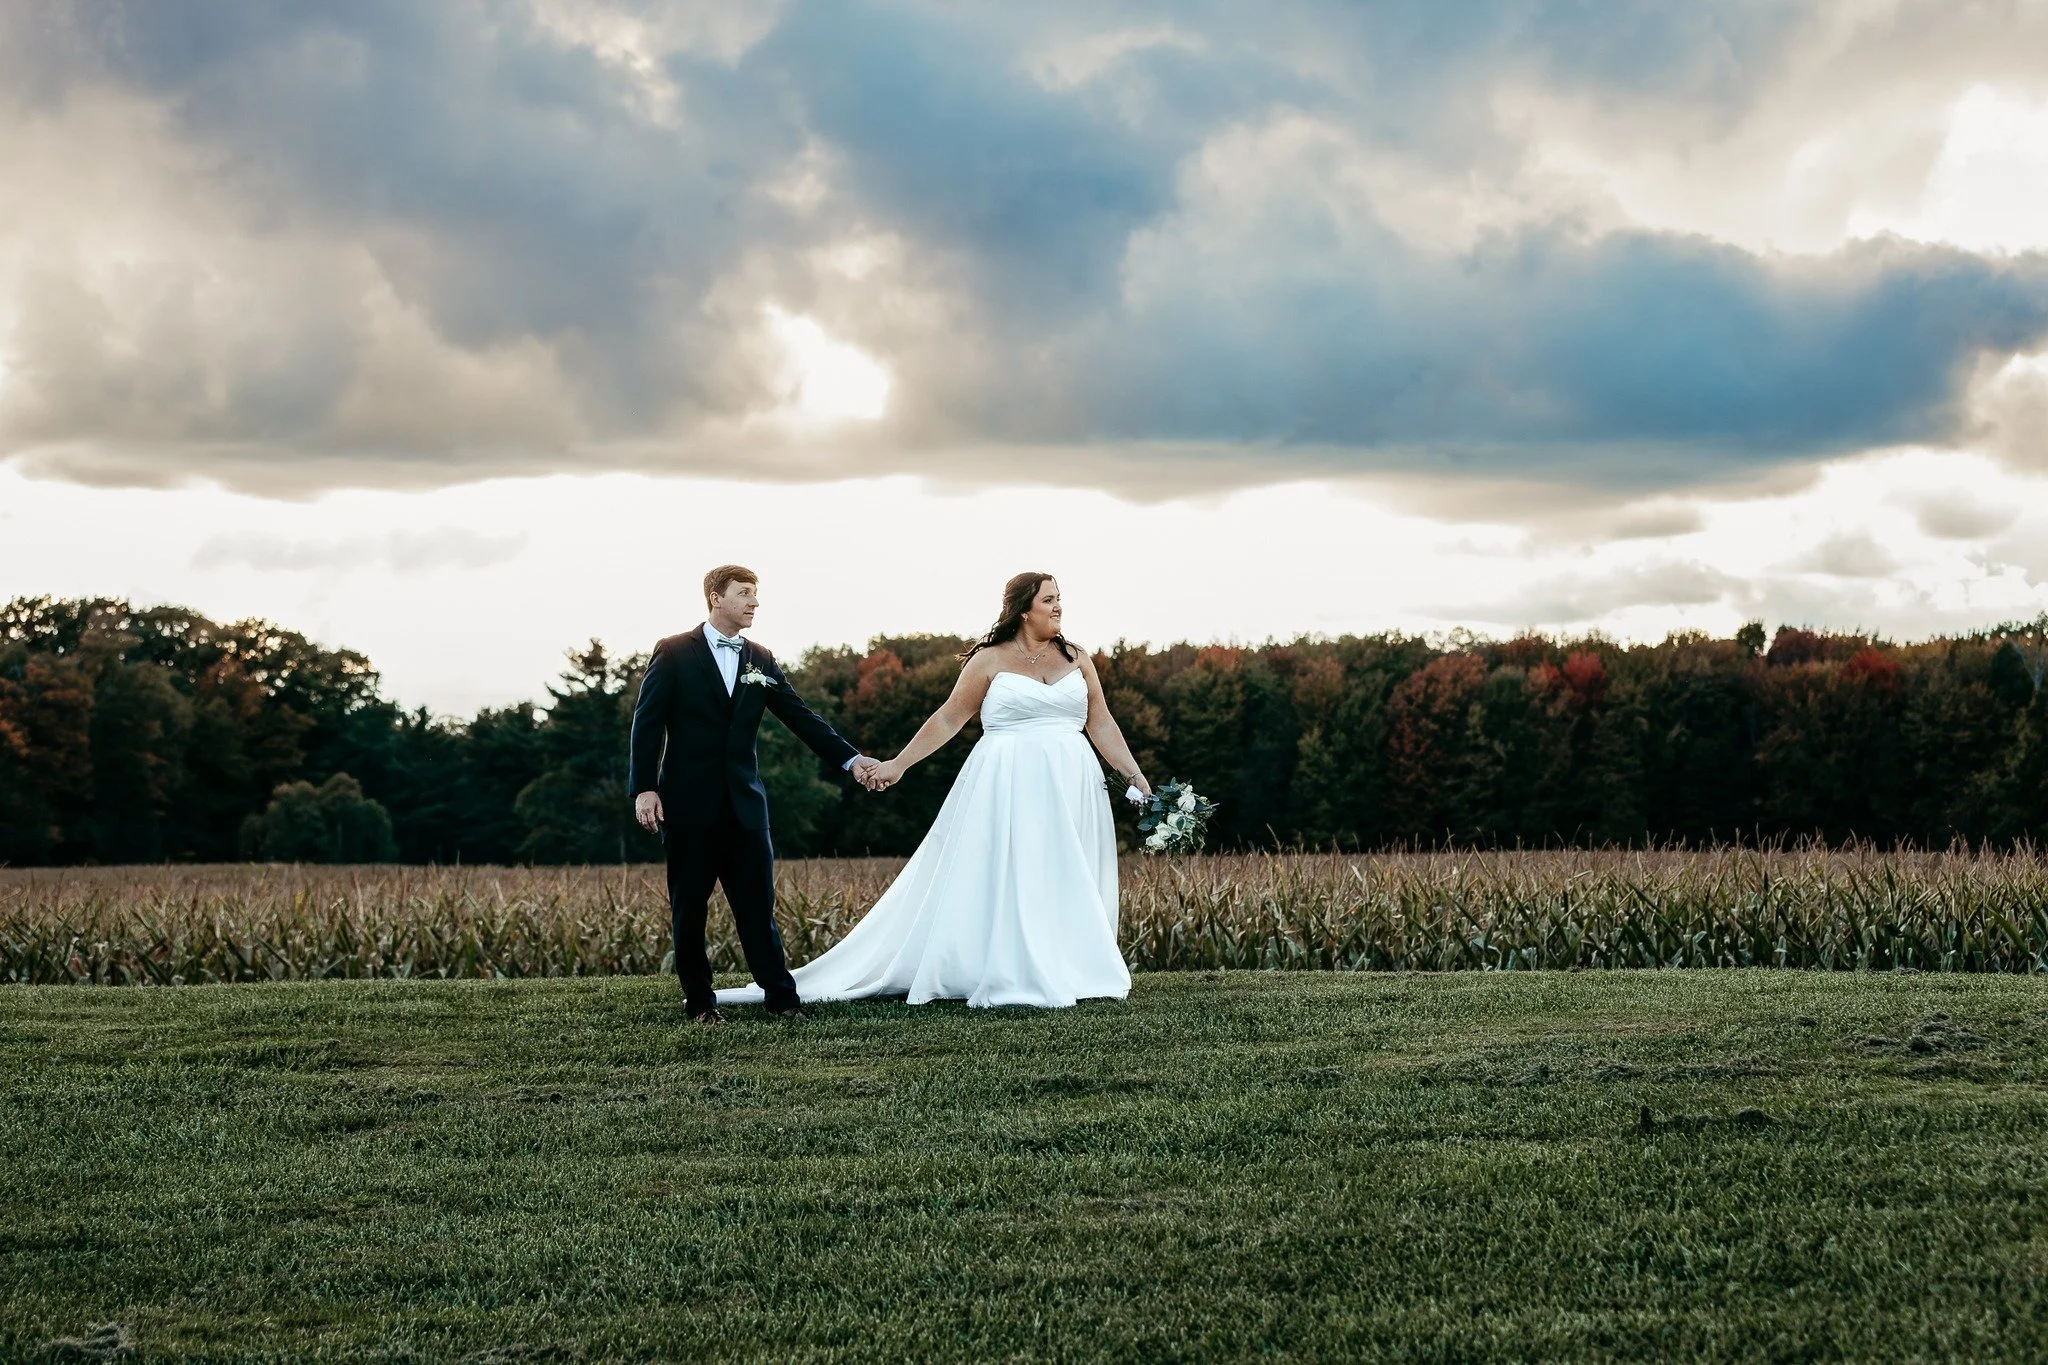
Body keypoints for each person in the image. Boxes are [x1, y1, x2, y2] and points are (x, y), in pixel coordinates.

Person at [718, 571, 1153, 1010]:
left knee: (1063, 867)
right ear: (1025, 610)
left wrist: (1133, 774)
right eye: (1049, 600)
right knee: (1016, 868)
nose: (1059, 607)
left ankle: (1069, 963)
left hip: (1072, 780)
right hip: (1007, 782)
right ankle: (1003, 965)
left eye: (1060, 599)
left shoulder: (1077, 657)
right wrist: (898, 765)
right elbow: (948, 718)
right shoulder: (988, 660)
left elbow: (1101, 721)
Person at [628, 564, 881, 1024]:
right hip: (687, 806)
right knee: (689, 910)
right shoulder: (673, 652)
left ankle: (782, 999)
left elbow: (801, 717)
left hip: (746, 806)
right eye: (744, 593)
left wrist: (851, 759)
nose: (754, 603)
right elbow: (646, 724)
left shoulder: (760, 659)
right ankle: (701, 1004)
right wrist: (644, 788)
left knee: (757, 908)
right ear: (715, 597)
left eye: (756, 595)